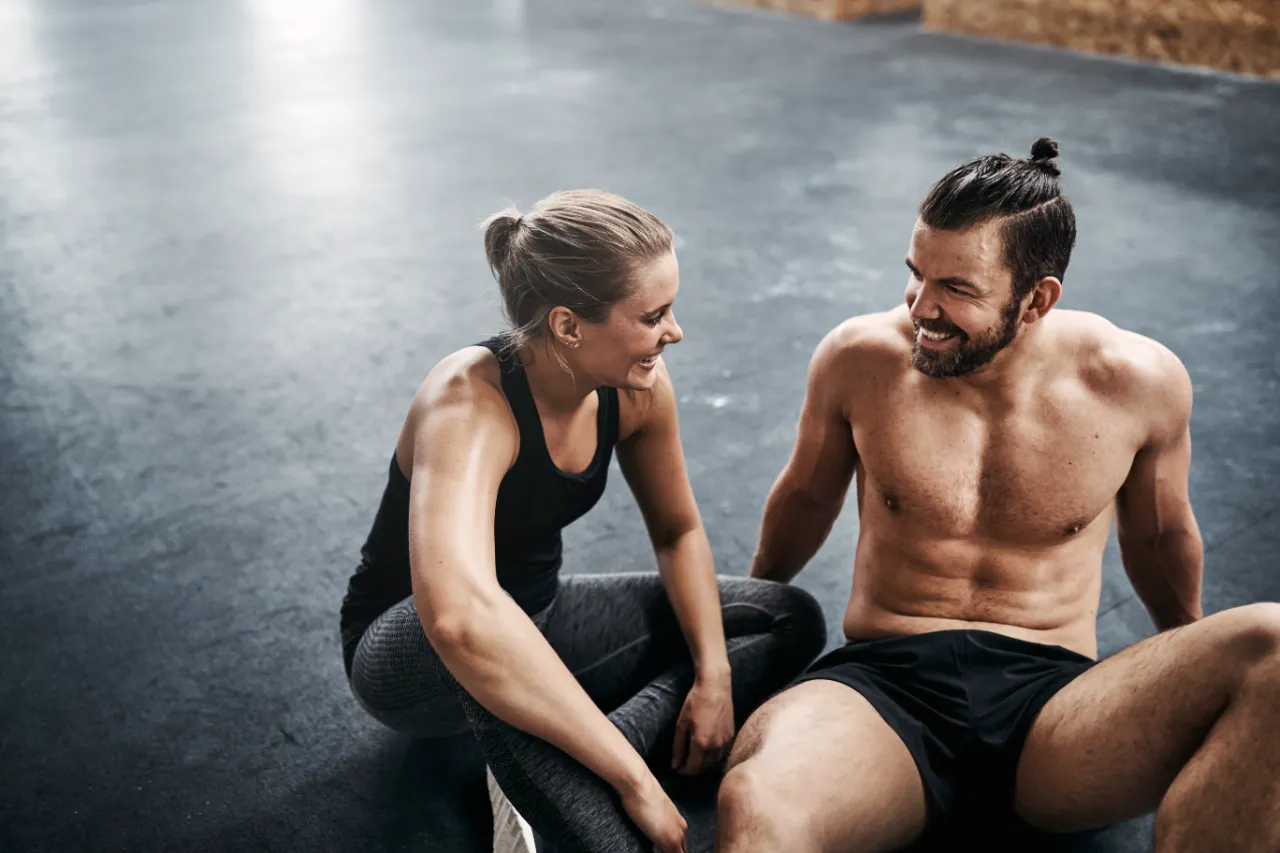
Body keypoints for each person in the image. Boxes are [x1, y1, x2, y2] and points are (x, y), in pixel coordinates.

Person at [714, 140, 1280, 853]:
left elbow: (1162, 538)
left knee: (1273, 643)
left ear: (1037, 299)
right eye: (915, 275)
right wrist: (734, 632)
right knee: (758, 803)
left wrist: (1183, 670)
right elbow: (803, 498)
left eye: (957, 288)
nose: (921, 308)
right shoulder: (859, 360)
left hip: (1055, 704)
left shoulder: (1136, 383)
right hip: (885, 691)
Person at [338, 189, 827, 853]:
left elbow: (677, 531)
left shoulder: (636, 387)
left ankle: (567, 756)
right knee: (488, 652)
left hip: (538, 616)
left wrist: (714, 678)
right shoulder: (470, 403)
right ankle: (572, 774)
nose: (674, 331)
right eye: (653, 314)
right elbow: (458, 618)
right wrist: (636, 782)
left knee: (786, 617)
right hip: (411, 650)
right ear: (568, 326)